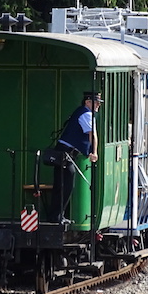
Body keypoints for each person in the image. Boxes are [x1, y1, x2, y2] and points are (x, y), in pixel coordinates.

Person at [50, 91, 101, 224]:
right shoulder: (86, 114)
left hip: (67, 152)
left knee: (63, 184)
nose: (98, 106)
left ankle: (58, 215)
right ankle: (57, 216)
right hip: (65, 152)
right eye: (96, 103)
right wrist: (94, 152)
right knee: (65, 185)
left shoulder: (83, 112)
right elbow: (92, 134)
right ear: (87, 102)